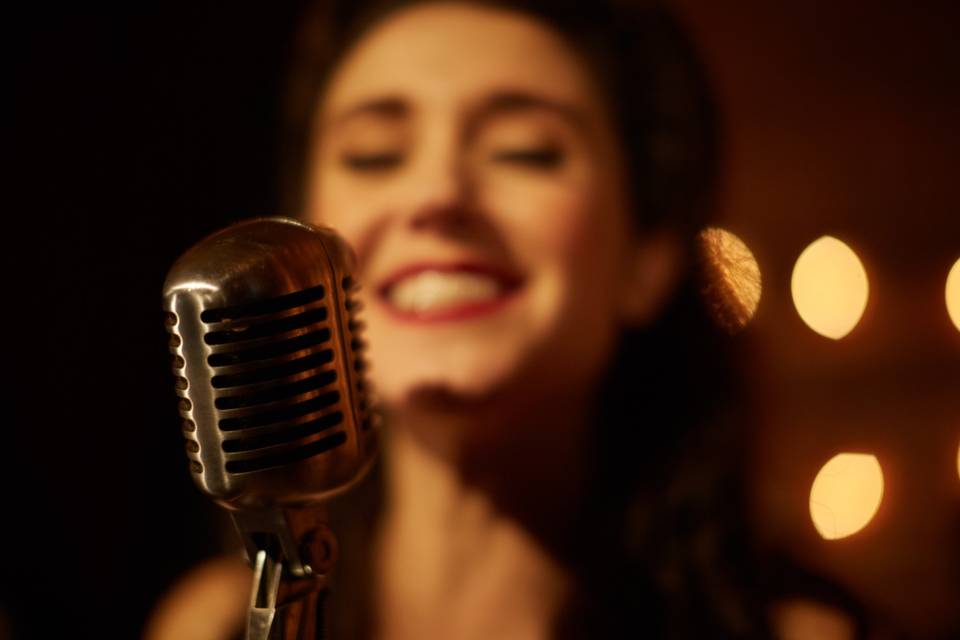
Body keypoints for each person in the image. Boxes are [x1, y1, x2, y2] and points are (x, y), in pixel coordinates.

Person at [147, 1, 824, 637]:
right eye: (374, 155)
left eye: (524, 150)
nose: (437, 192)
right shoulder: (211, 623)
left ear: (647, 258)